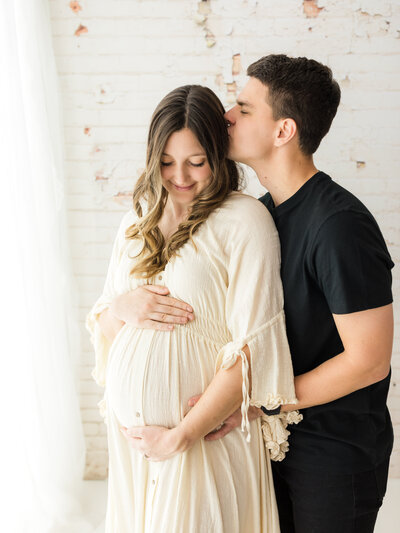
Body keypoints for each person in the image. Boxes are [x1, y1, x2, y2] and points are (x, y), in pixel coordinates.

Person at [127, 56, 394, 533]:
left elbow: (369, 360)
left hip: (332, 454)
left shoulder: (339, 226)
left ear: (283, 131)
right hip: (270, 443)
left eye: (245, 108)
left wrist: (256, 402)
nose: (228, 115)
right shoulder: (263, 214)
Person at [86, 84, 301, 533]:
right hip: (136, 450)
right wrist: (123, 307)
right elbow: (106, 324)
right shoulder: (135, 221)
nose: (179, 175)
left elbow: (253, 348)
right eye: (166, 162)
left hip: (203, 441)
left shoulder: (243, 220)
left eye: (195, 162)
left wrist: (180, 435)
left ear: (218, 157)